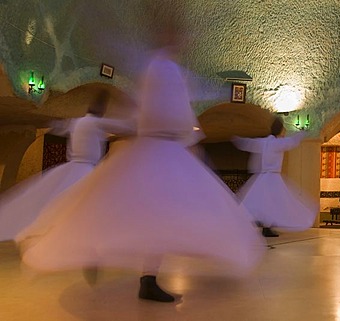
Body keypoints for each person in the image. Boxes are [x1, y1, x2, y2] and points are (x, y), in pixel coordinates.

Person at [15, 23, 265, 303]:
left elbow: (145, 112)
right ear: (168, 37)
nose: (182, 41)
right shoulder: (166, 70)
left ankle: (135, 271)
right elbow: (170, 113)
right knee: (151, 213)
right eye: (177, 35)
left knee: (144, 212)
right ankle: (131, 270)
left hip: (155, 151)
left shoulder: (156, 69)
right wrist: (192, 142)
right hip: (162, 153)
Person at [0, 89, 134, 241]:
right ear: (101, 111)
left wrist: (55, 125)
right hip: (86, 169)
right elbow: (124, 126)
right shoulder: (95, 122)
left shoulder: (76, 121)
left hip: (73, 167)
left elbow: (59, 126)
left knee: (62, 204)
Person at [232, 117, 318, 238]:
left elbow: (250, 143)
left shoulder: (264, 142)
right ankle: (267, 227)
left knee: (263, 201)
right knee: (274, 202)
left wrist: (237, 140)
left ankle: (265, 226)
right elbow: (292, 141)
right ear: (280, 130)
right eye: (283, 129)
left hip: (262, 177)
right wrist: (303, 133)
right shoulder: (277, 143)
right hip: (272, 177)